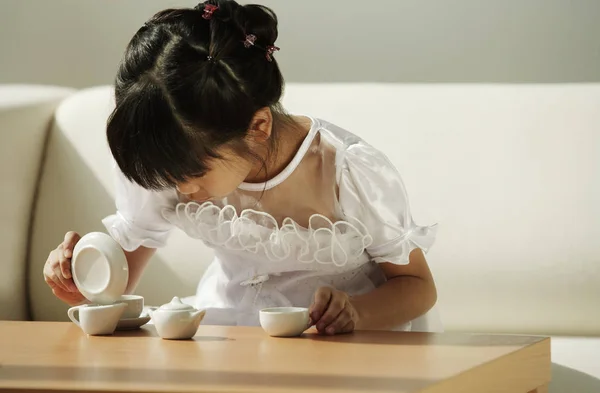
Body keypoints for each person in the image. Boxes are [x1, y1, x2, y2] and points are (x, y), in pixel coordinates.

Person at [43, 0, 439, 335]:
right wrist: (84, 279)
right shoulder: (176, 159)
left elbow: (418, 287)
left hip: (339, 345)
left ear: (259, 126)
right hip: (228, 333)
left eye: (194, 178)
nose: (183, 192)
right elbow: (118, 281)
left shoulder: (346, 171)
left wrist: (356, 312)